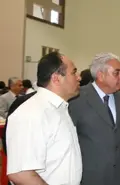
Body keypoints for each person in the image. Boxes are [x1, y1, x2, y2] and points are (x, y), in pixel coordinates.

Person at [6, 52, 82, 185]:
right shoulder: (32, 113)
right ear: (56, 78)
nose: (79, 77)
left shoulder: (59, 109)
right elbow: (21, 174)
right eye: (74, 72)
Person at [69, 52, 120, 185]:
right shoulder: (77, 99)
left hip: (119, 176)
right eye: (116, 73)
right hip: (89, 177)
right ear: (101, 75)